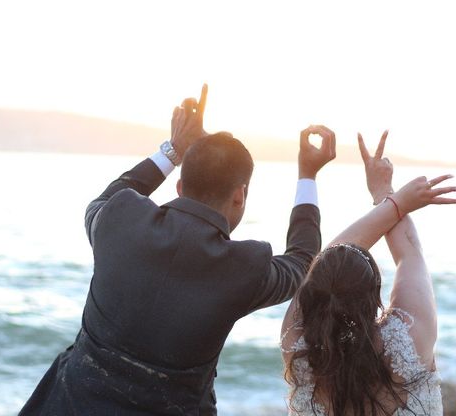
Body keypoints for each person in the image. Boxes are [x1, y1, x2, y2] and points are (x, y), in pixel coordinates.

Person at [20, 85, 337, 415]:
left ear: (180, 186)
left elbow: (108, 197)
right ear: (240, 195)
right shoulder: (243, 268)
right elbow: (302, 259)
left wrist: (173, 151)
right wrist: (307, 174)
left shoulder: (119, 219)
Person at [280, 131, 456, 416]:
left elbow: (320, 265)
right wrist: (384, 191)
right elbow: (409, 254)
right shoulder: (410, 338)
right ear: (375, 293)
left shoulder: (296, 340)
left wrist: (396, 203)